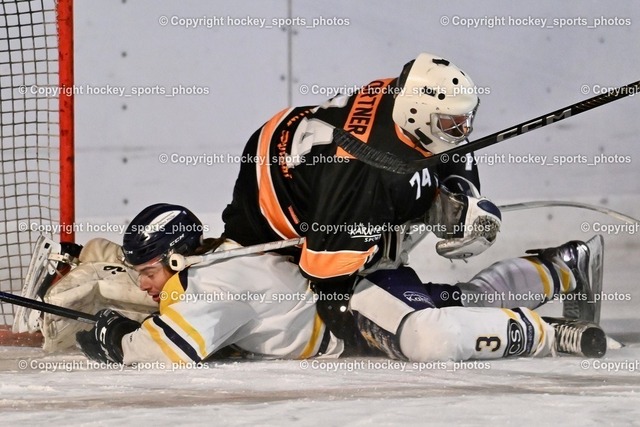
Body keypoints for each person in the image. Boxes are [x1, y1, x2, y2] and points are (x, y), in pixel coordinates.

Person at [73, 203, 607, 366]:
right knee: (462, 302)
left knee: (429, 338)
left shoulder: (213, 282)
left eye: (148, 272)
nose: (145, 285)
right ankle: (563, 266)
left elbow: (169, 351)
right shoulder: (218, 262)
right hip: (350, 294)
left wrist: (110, 340)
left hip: (352, 305)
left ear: (175, 258)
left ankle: (546, 334)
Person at [221, 52, 501, 287]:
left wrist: (464, 192)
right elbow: (322, 271)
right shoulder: (363, 171)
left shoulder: (402, 95)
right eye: (452, 123)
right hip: (269, 199)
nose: (463, 130)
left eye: (464, 120)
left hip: (296, 141)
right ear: (415, 114)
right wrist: (407, 221)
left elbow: (447, 145)